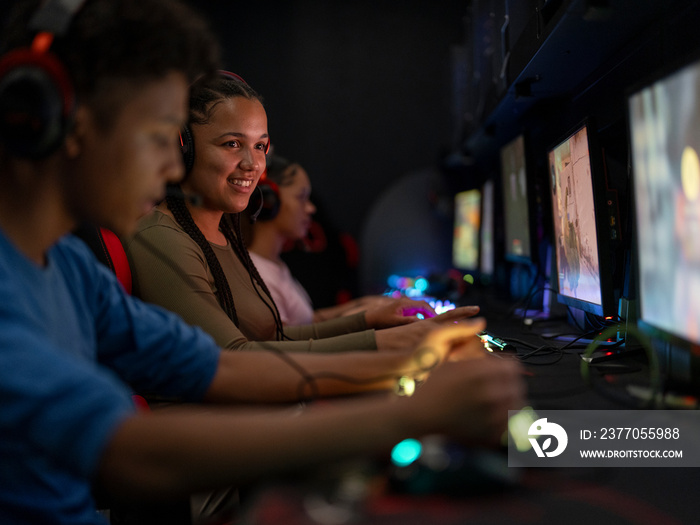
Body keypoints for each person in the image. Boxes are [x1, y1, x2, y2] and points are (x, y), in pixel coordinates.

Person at [0, 1, 526, 523]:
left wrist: (417, 359)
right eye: (158, 136)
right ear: (54, 114)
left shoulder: (67, 266)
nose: (169, 166)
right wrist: (412, 414)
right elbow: (131, 455)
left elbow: (221, 365)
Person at [125, 72, 481, 353]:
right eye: (232, 144)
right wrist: (386, 343)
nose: (252, 164)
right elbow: (232, 359)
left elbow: (277, 339)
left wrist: (375, 320)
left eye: (260, 146)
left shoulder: (224, 235)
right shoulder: (162, 238)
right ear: (183, 148)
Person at [247, 154, 397, 326]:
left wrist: (366, 305)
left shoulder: (274, 263)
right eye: (301, 197)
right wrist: (364, 318)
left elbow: (306, 322)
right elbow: (286, 343)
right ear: (267, 202)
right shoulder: (257, 274)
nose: (311, 208)